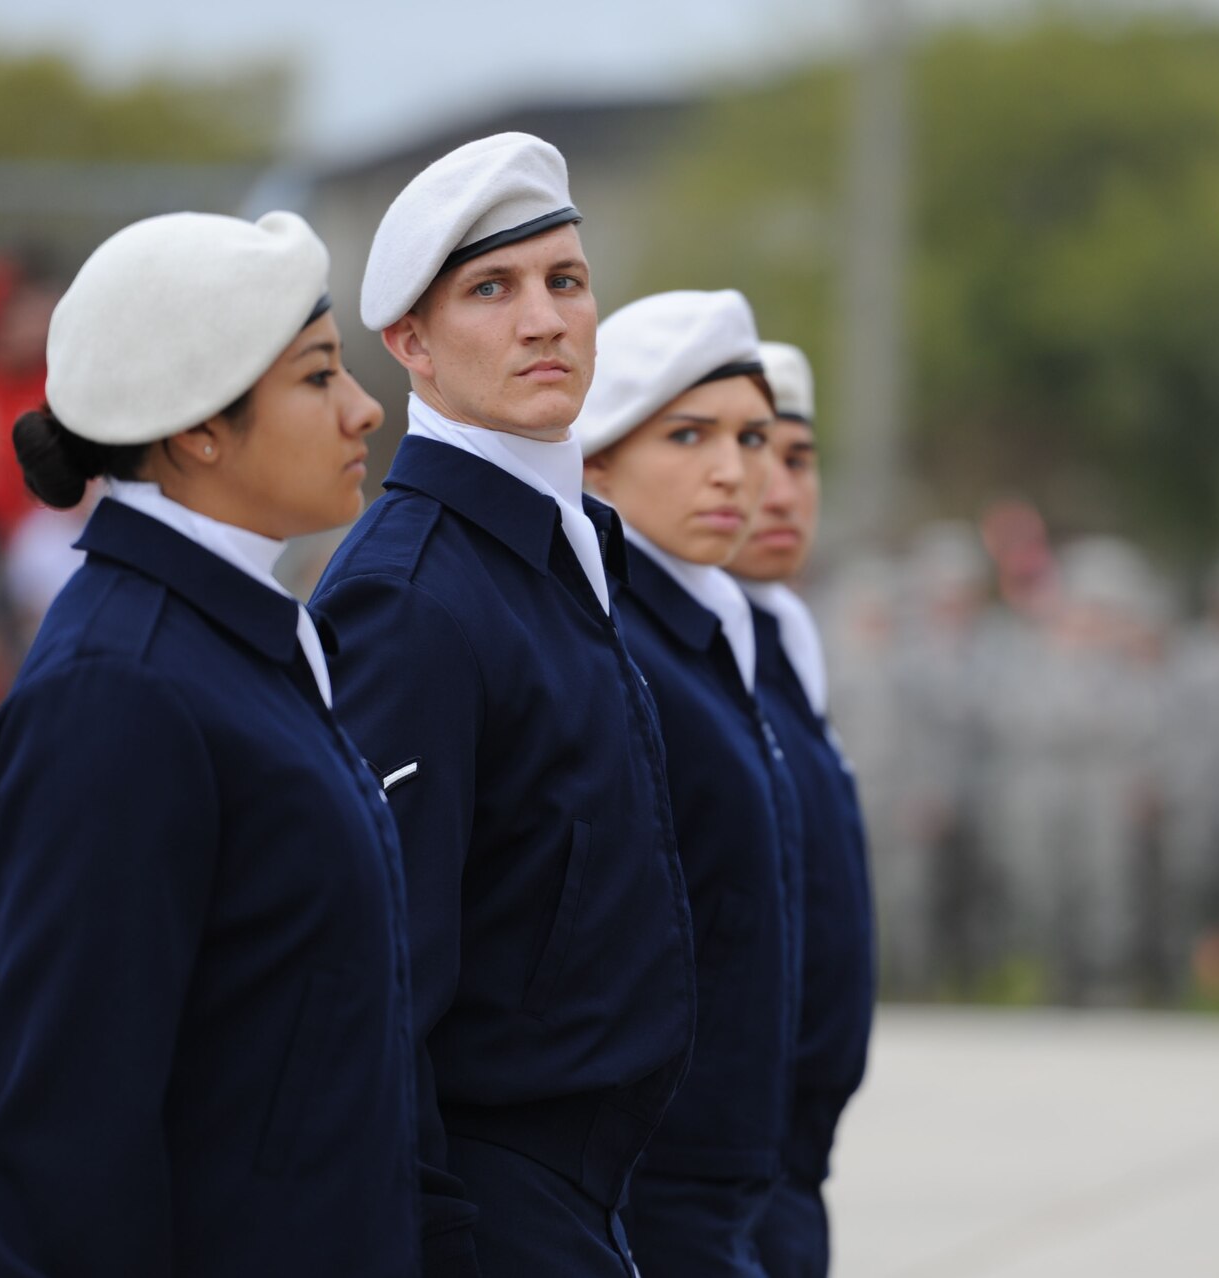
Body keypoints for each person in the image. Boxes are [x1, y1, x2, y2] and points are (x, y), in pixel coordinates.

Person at [0, 211, 418, 1276]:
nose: (362, 408)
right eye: (316, 377)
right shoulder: (124, 694)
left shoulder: (226, 645)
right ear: (200, 427)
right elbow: (60, 1154)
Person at [310, 133, 697, 1278]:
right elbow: (383, 985)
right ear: (410, 344)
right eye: (492, 289)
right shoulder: (409, 597)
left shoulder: (553, 549)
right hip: (490, 1205)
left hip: (587, 1193)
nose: (545, 320)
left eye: (564, 282)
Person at [577, 290, 802, 1277]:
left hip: (745, 1174)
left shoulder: (703, 634)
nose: (734, 472)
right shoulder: (616, 649)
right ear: (595, 460)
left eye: (755, 437)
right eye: (686, 434)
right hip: (655, 1187)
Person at [727, 341, 875, 1277]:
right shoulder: (668, 661)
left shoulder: (781, 641)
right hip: (727, 1169)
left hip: (793, 1162)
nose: (778, 492)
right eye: (750, 452)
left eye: (798, 458)